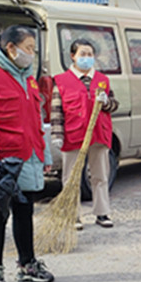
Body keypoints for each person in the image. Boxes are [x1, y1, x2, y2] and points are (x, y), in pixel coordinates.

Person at [0, 25, 54, 282]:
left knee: (25, 211)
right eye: (28, 48)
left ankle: (27, 264)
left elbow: (36, 119)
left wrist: (45, 153)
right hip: (2, 159)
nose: (31, 54)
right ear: (10, 48)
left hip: (28, 155)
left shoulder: (28, 77)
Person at [51, 39, 119, 229]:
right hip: (73, 134)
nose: (87, 58)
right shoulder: (62, 81)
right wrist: (57, 134)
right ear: (73, 56)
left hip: (99, 134)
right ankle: (73, 215)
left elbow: (114, 105)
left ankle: (102, 213)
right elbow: (56, 110)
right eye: (82, 54)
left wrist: (106, 102)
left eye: (90, 54)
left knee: (100, 175)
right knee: (71, 177)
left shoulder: (102, 80)